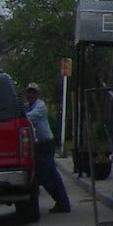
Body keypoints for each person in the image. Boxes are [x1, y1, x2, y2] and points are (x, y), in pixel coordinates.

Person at [23, 82, 72, 213]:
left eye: (33, 92)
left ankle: (62, 202)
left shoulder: (40, 106)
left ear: (37, 94)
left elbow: (29, 118)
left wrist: (18, 118)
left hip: (47, 144)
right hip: (39, 146)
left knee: (44, 175)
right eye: (29, 92)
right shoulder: (26, 107)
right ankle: (62, 202)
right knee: (51, 175)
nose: (31, 95)